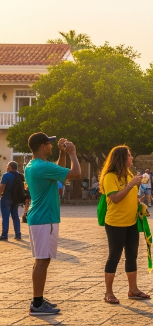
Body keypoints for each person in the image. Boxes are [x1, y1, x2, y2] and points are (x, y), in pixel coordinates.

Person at [25, 133, 82, 316]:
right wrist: (73, 153)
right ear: (42, 147)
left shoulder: (33, 165)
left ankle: (38, 299)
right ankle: (37, 304)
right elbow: (76, 173)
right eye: (48, 144)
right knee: (42, 261)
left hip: (38, 217)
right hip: (45, 218)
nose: (51, 146)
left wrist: (62, 154)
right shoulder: (43, 166)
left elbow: (58, 171)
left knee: (40, 260)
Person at [99, 145, 149, 304]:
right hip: (115, 223)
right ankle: (108, 292)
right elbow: (114, 198)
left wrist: (138, 202)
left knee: (132, 256)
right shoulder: (110, 177)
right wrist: (130, 185)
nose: (132, 157)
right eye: (129, 155)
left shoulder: (129, 175)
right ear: (121, 158)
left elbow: (130, 197)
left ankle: (133, 289)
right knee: (114, 256)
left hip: (132, 222)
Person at [0, 161, 25, 240]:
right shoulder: (19, 176)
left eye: (7, 166)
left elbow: (2, 186)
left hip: (6, 198)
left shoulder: (6, 175)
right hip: (16, 199)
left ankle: (4, 235)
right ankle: (18, 234)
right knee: (15, 216)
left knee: (5, 217)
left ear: (9, 167)